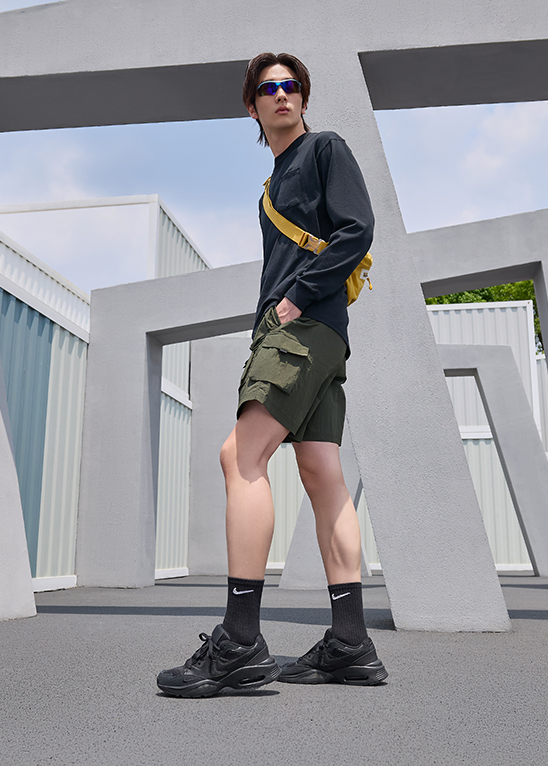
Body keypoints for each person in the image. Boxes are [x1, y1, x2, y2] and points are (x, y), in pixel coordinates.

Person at [156, 52, 387, 698]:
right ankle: (350, 643)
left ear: (303, 98)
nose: (281, 94)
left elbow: (358, 230)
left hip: (304, 328)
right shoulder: (272, 187)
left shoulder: (325, 149)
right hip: (317, 335)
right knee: (321, 472)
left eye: (291, 86)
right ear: (252, 106)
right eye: (268, 88)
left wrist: (295, 299)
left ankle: (239, 641)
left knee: (241, 457)